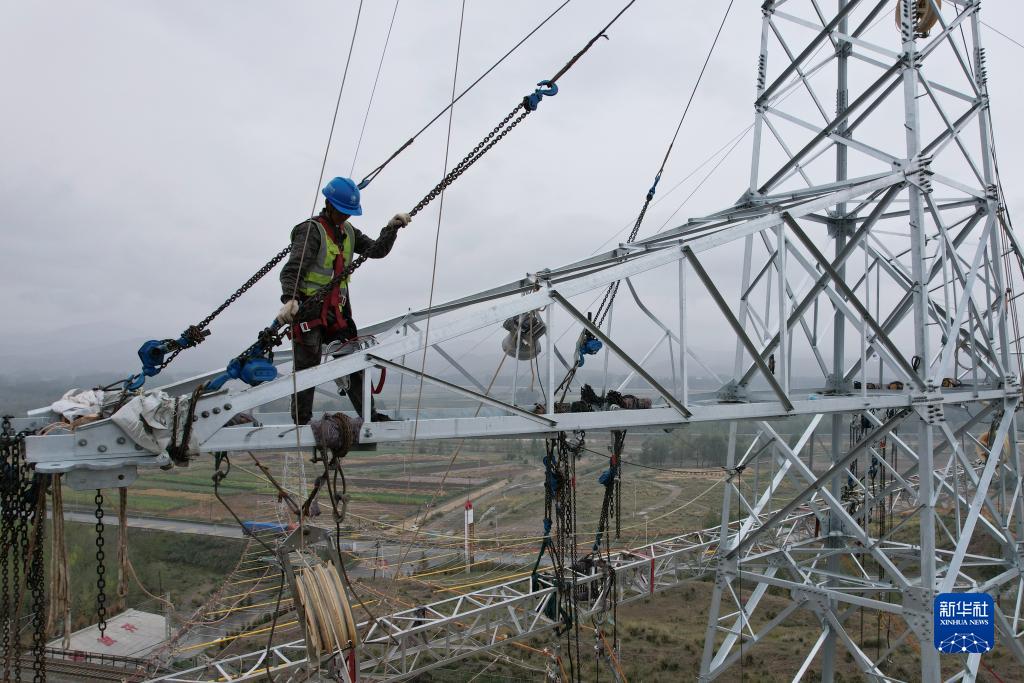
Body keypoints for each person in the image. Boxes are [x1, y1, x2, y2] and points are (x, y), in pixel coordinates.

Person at [277, 176, 411, 425]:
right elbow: (293, 269)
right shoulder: (311, 231)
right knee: (308, 366)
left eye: (349, 213)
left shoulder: (348, 232)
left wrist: (391, 228)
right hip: (309, 309)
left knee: (352, 361)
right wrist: (290, 299)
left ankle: (370, 416)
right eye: (341, 211)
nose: (345, 216)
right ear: (328, 205)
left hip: (336, 310)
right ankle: (301, 422)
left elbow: (376, 250)